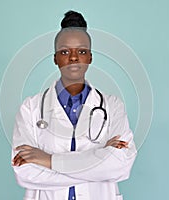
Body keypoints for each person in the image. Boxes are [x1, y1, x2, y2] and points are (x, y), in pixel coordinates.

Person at [11, 10, 137, 200]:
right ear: (55, 59)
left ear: (90, 57)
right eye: (64, 52)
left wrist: (48, 160)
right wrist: (98, 162)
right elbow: (25, 172)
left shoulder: (113, 106)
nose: (73, 57)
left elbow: (120, 166)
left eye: (82, 51)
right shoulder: (31, 108)